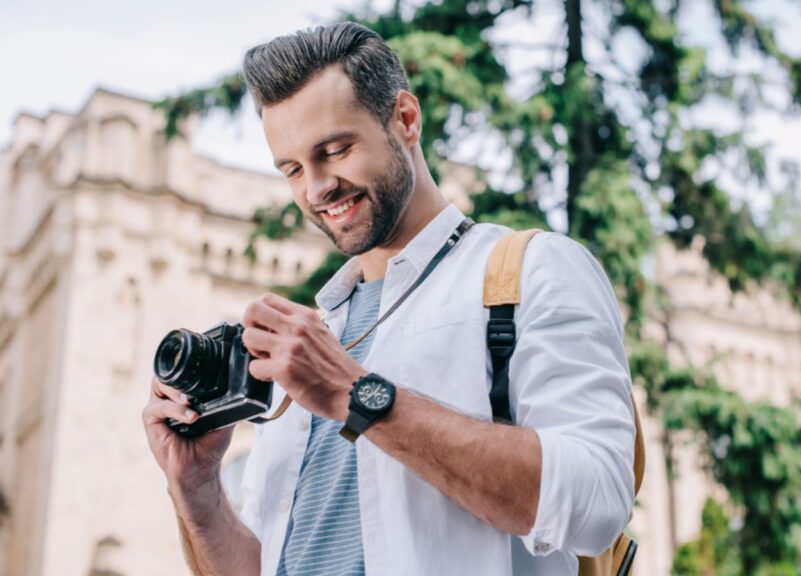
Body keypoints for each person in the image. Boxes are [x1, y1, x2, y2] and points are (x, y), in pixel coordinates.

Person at [142, 22, 635, 576]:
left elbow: (598, 501)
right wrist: (197, 494)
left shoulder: (534, 270)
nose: (316, 188)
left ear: (405, 119)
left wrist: (353, 394)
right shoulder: (312, 342)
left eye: (335, 150)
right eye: (293, 169)